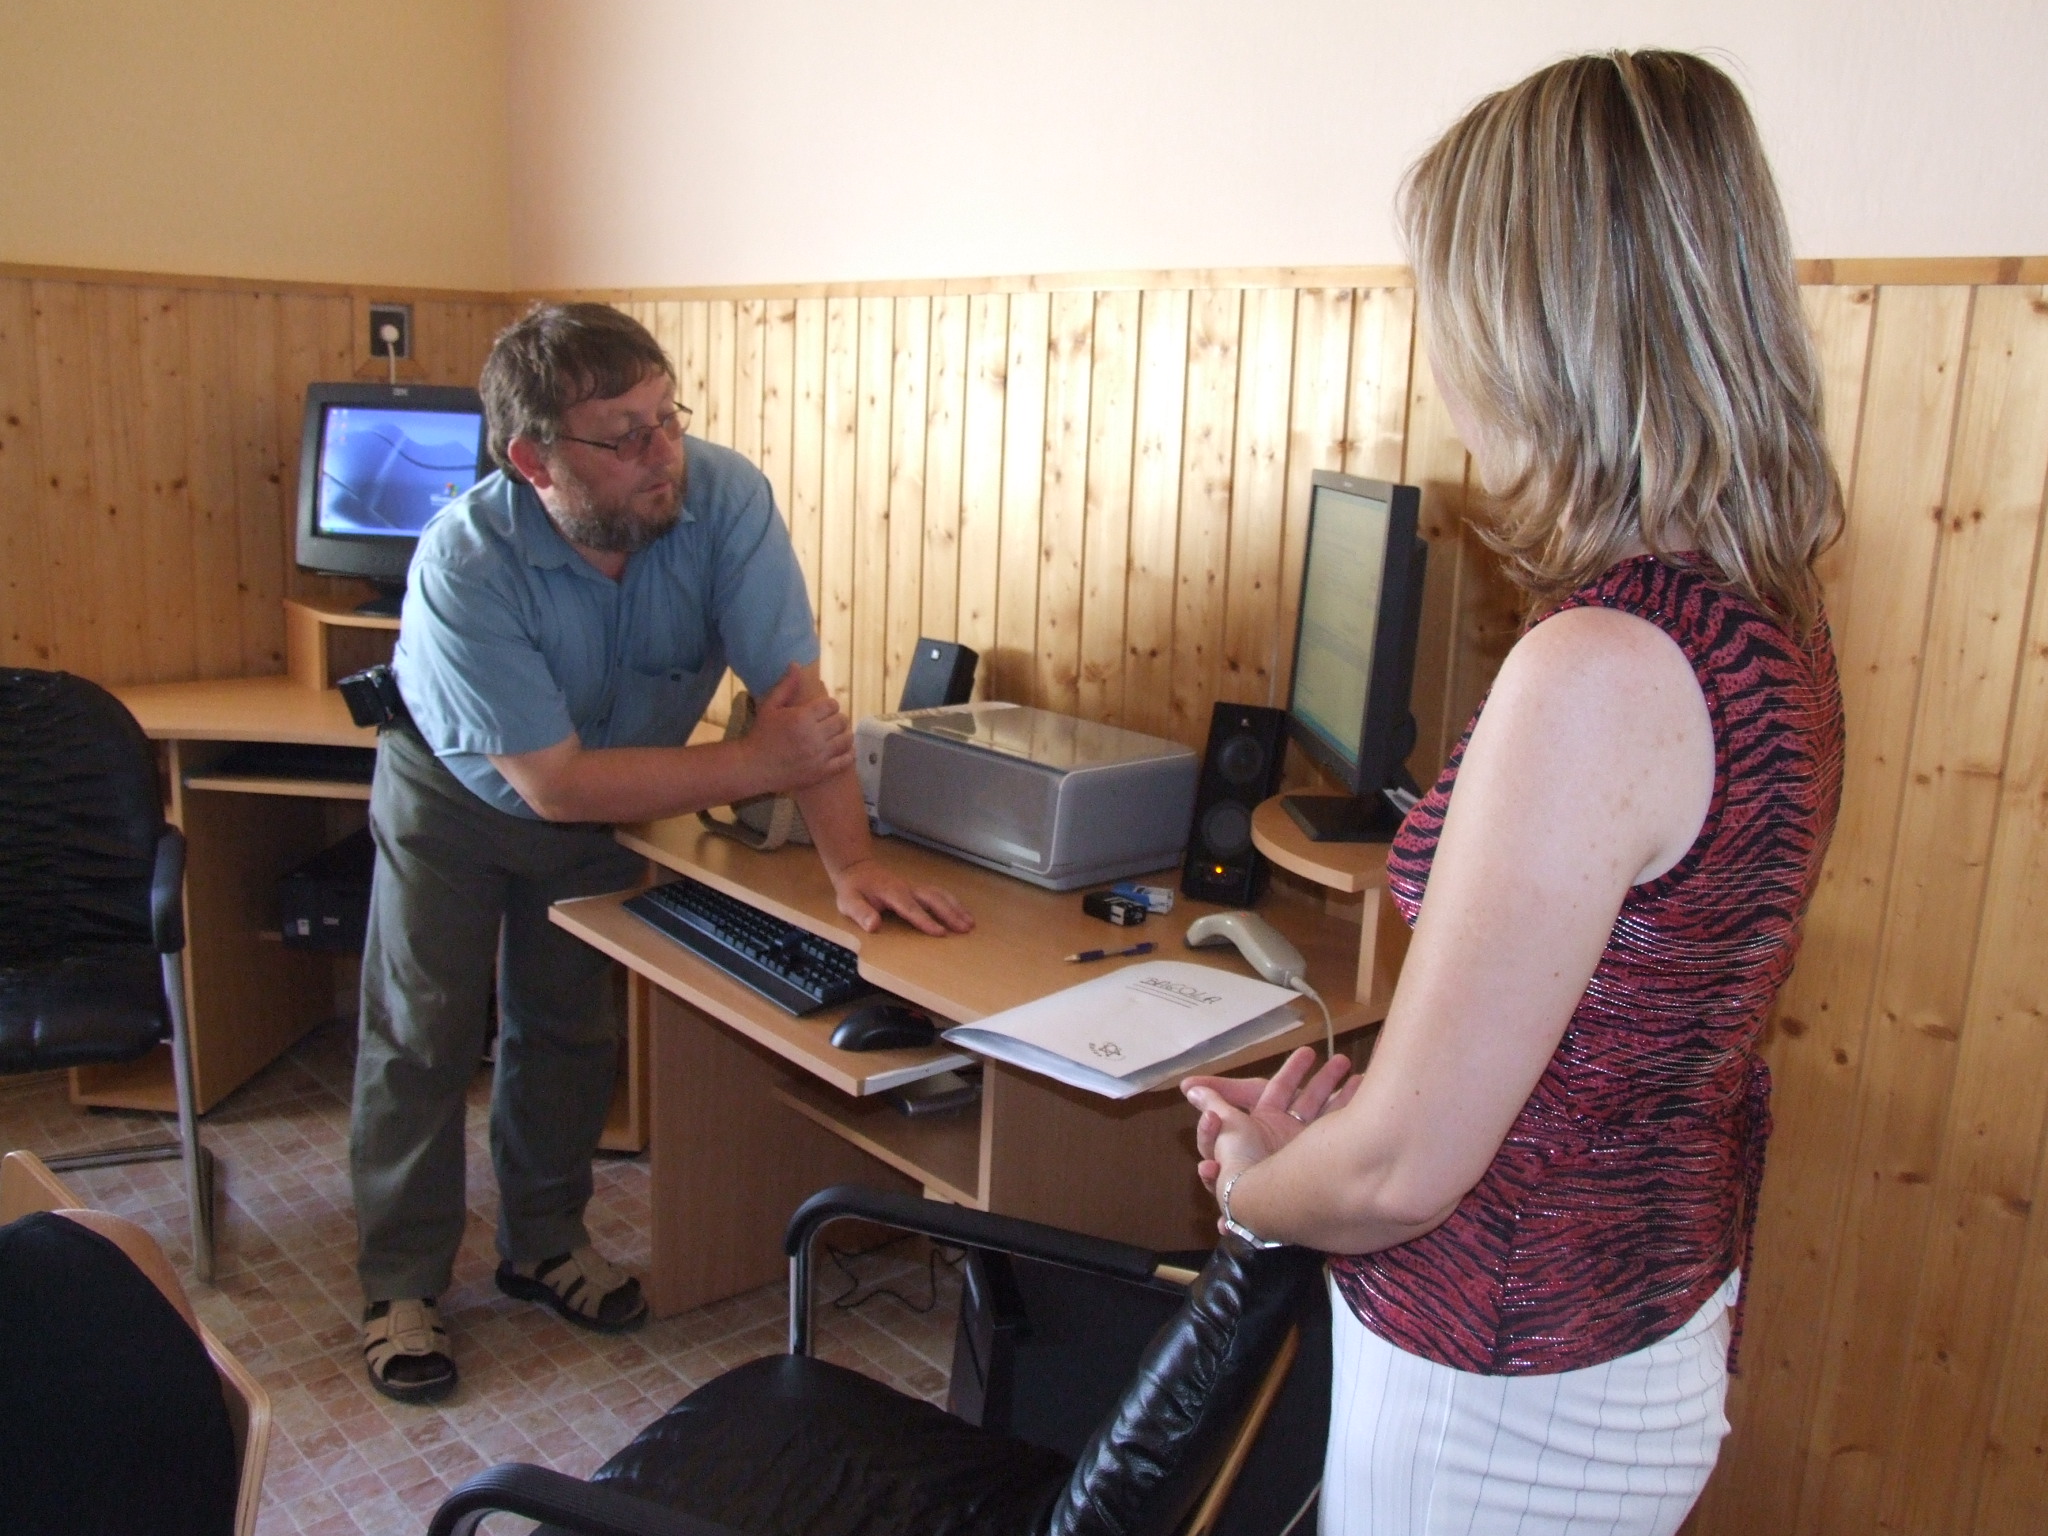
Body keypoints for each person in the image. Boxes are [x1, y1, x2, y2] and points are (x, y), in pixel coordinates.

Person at [1182, 52, 1844, 1535]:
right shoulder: (1762, 615)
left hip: (1507, 1394)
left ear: (1541, 329)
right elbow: (1608, 1033)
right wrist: (1357, 1129)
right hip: (1629, 1323)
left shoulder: (1599, 667)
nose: (1444, 360)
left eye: (1451, 307)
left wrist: (1255, 1183)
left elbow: (1403, 1175)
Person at [351, 302, 973, 1404]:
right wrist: (756, 764)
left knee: (568, 1028)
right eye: (625, 435)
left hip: (617, 798)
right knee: (422, 1034)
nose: (662, 452)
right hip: (457, 796)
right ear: (533, 458)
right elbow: (555, 782)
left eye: (668, 417)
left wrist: (853, 868)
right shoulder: (465, 560)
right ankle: (401, 1285)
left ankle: (545, 1245)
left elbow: (794, 704)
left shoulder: (723, 499)